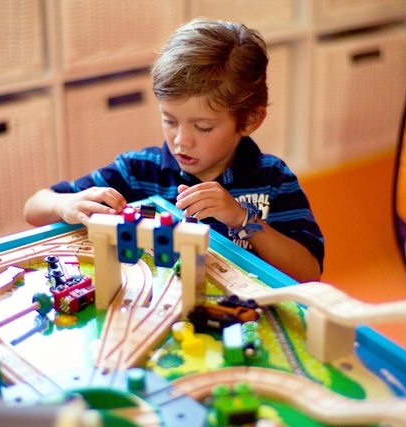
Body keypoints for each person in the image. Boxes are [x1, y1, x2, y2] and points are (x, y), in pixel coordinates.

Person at [24, 19, 324, 282]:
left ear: (250, 120)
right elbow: (35, 207)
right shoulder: (139, 170)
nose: (181, 141)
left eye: (203, 127)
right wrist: (66, 205)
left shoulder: (273, 178)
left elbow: (308, 272)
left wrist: (243, 219)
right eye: (169, 120)